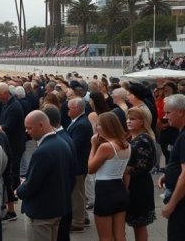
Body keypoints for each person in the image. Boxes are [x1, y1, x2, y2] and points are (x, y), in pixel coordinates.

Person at [17, 110, 75, 241]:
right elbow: (71, 178)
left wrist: (18, 191)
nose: (27, 131)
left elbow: (32, 184)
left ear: (41, 125)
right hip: (57, 209)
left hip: (41, 213)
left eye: (29, 128)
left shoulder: (42, 152)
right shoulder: (63, 143)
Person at [88, 112, 131, 241]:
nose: (96, 127)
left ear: (106, 127)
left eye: (98, 125)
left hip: (105, 190)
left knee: (105, 236)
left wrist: (94, 145)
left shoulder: (106, 147)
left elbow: (90, 168)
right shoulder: (127, 145)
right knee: (120, 234)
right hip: (119, 187)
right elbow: (126, 172)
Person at [0, 82, 25, 222]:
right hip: (10, 143)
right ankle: (11, 201)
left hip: (14, 145)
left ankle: (12, 204)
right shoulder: (7, 103)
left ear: (7, 93)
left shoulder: (14, 106)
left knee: (11, 174)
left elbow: (8, 127)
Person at [125, 108, 156, 241]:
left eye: (132, 119)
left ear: (142, 122)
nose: (128, 121)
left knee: (139, 224)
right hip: (133, 183)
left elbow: (141, 167)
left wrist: (123, 169)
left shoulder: (143, 139)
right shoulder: (133, 136)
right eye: (128, 118)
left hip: (139, 186)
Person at [158, 94, 185, 240]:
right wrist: (168, 174)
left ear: (180, 111)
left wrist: (171, 205)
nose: (165, 117)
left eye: (168, 113)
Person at [66, 97, 93, 232]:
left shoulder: (81, 124)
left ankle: (77, 222)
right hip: (80, 164)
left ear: (77, 109)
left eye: (70, 108)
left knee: (76, 194)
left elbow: (73, 145)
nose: (67, 110)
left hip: (78, 165)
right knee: (79, 192)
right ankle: (84, 216)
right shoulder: (79, 122)